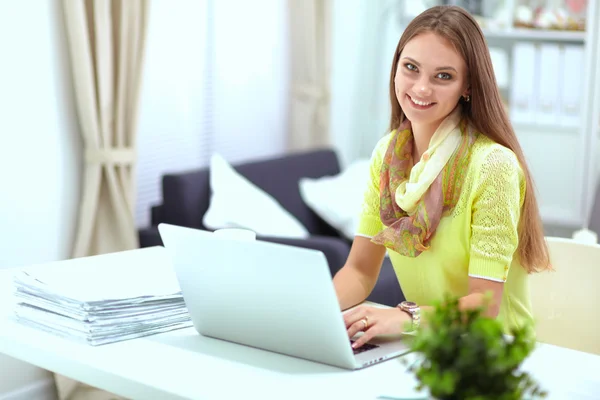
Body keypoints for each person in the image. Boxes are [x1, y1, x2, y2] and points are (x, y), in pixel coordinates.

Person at [333, 5, 551, 349]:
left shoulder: (493, 166)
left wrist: (406, 317)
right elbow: (360, 271)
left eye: (443, 76)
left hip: (497, 354)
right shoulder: (387, 156)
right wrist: (315, 313)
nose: (421, 88)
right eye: (411, 68)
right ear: (395, 70)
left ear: (467, 86)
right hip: (429, 347)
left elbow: (484, 305)